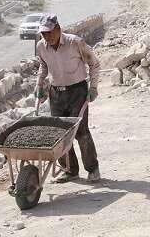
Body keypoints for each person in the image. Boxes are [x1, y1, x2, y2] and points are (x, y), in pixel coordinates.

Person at [34, 14, 101, 182]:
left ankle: (92, 169)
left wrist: (93, 87)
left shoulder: (75, 43)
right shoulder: (41, 47)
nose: (46, 37)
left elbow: (94, 63)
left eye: (49, 33)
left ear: (58, 29)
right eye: (43, 34)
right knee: (61, 133)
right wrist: (39, 85)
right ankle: (70, 170)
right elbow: (43, 66)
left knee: (81, 132)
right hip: (56, 92)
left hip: (77, 91)